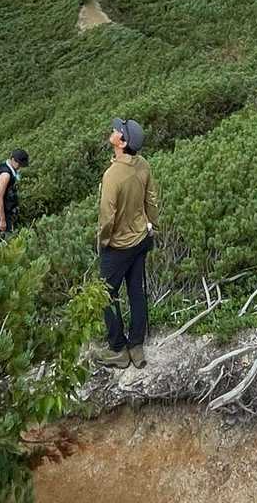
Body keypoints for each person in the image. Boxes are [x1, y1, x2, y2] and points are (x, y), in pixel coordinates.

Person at [96, 117, 158, 369]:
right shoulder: (143, 164)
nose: (113, 131)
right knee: (136, 291)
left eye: (117, 131)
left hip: (118, 246)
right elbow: (151, 199)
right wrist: (152, 224)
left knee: (105, 294)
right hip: (141, 239)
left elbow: (107, 216)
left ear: (122, 142)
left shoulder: (112, 176)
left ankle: (118, 350)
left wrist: (103, 242)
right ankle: (136, 346)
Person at [0, 148, 29, 240]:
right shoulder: (5, 175)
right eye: (19, 164)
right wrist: (2, 220)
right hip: (1, 212)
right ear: (12, 159)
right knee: (6, 238)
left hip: (7, 209)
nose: (20, 166)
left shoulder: (9, 168)